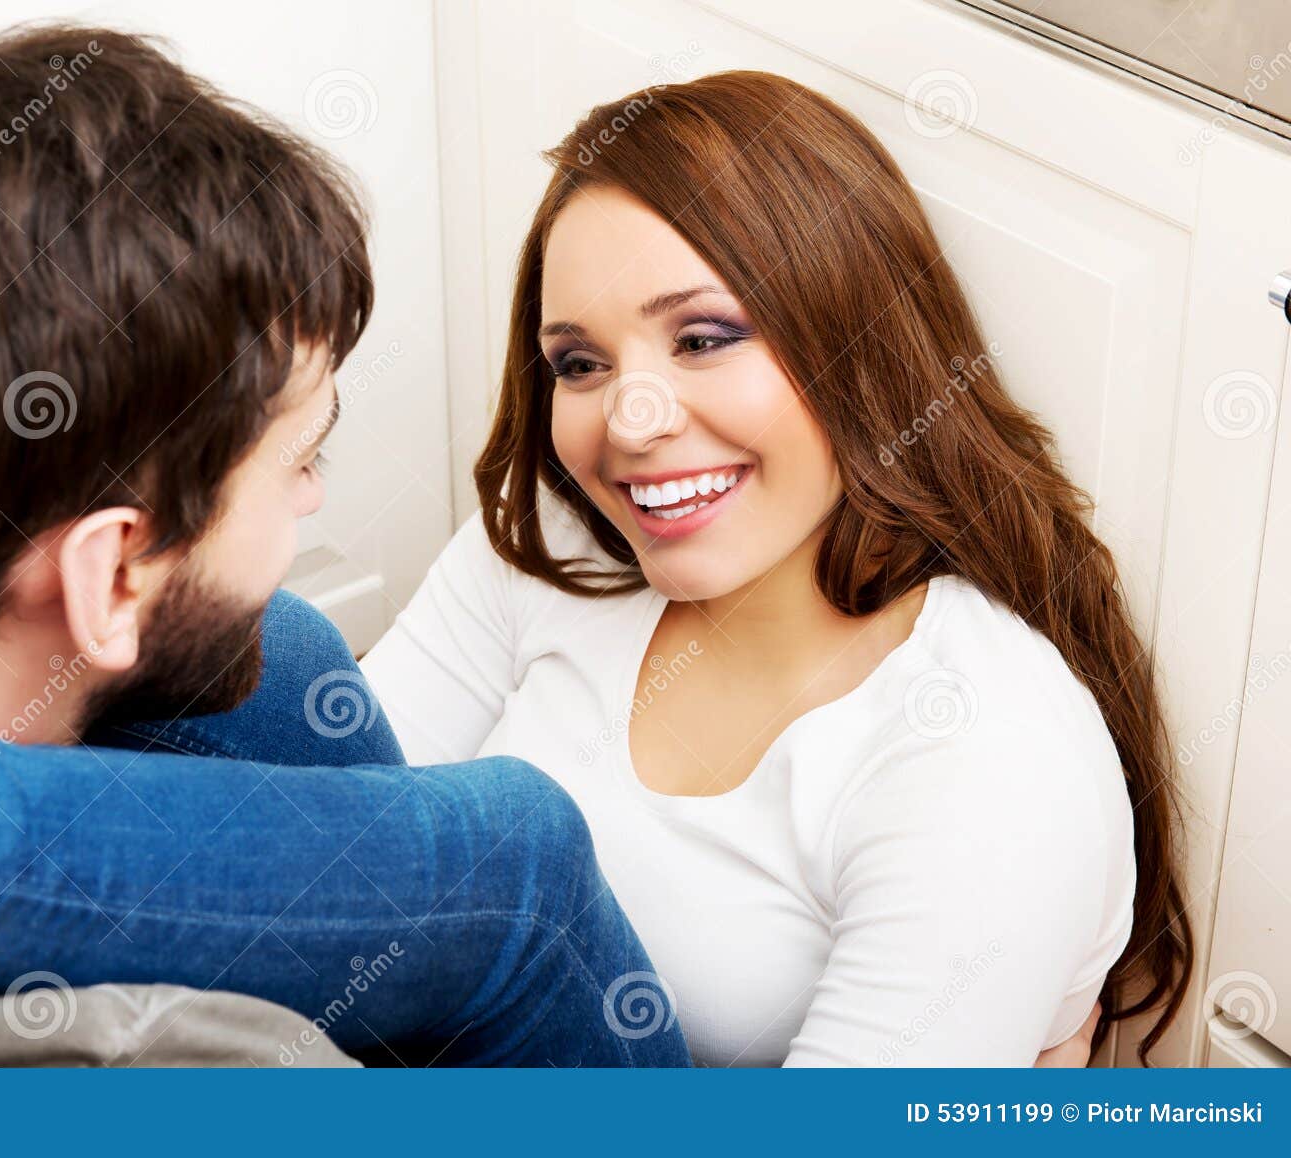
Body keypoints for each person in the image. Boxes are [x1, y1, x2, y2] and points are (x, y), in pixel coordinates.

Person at [0, 24, 689, 1068]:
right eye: (300, 461)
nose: (307, 500)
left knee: (281, 656)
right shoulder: (199, 1064)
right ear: (113, 574)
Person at [362, 71, 1191, 1064]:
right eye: (580, 363)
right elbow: (335, 872)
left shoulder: (982, 752)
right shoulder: (565, 539)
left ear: (857, 341)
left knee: (519, 858)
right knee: (284, 674)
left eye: (702, 339)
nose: (630, 421)